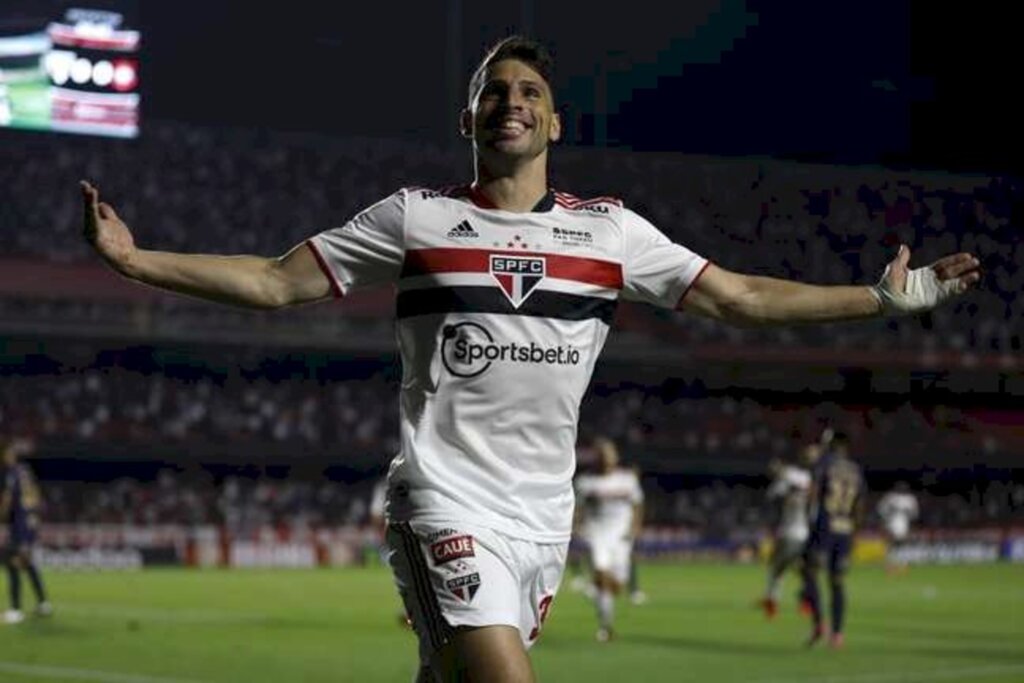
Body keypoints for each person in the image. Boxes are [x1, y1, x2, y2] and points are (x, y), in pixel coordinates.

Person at [82, 34, 982, 683]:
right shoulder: (417, 218)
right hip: (444, 498)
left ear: (554, 118)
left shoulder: (611, 233)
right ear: (467, 115)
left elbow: (740, 295)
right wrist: (135, 260)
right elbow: (277, 281)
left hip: (543, 522)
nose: (509, 100)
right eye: (492, 89)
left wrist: (876, 298)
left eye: (526, 91)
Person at [573, 437, 644, 641]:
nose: (605, 458)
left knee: (617, 586)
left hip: (621, 537)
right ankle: (606, 627)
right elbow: (578, 507)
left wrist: (635, 528)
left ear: (616, 457)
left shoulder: (628, 480)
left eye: (609, 453)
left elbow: (638, 505)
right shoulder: (585, 482)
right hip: (597, 535)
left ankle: (598, 591)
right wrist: (577, 526)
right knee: (602, 576)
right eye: (601, 454)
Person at [799, 432, 864, 649]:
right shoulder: (855, 470)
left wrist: (809, 524)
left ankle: (819, 623)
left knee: (809, 571)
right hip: (845, 529)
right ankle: (837, 635)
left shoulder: (825, 464)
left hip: (824, 528)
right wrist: (854, 532)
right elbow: (859, 506)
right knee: (837, 582)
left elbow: (813, 495)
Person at [759, 444, 816, 620]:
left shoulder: (792, 475)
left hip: (789, 531)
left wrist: (779, 472)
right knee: (803, 570)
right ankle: (805, 602)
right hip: (806, 533)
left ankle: (772, 601)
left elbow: (772, 495)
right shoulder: (816, 478)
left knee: (778, 568)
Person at [2, 437, 52, 625]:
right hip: (31, 522)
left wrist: (4, 516)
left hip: (20, 524)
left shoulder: (13, 473)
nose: (5, 457)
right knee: (26, 562)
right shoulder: (27, 472)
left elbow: (8, 500)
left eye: (7, 453)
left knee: (12, 562)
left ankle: (15, 611)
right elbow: (37, 498)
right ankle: (43, 604)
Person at [877, 481, 919, 575]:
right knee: (895, 546)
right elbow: (881, 510)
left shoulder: (908, 499)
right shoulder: (892, 498)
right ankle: (893, 566)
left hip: (901, 525)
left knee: (896, 546)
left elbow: (914, 514)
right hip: (894, 524)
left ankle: (897, 566)